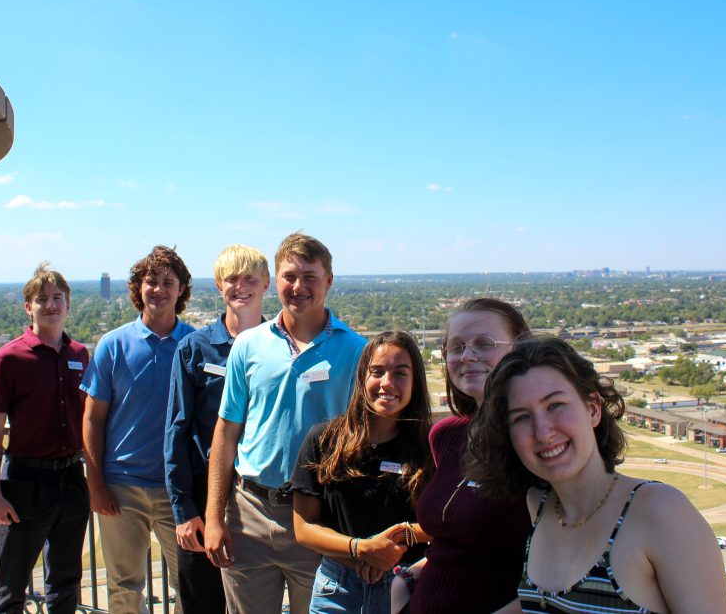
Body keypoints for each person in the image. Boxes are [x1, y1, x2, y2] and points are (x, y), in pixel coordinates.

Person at [469, 337, 726, 614]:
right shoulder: (540, 506)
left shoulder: (661, 512)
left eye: (555, 405)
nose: (543, 431)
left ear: (593, 409)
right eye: (521, 417)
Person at [204, 232, 367, 614]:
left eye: (310, 276)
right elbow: (226, 433)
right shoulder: (248, 345)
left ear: (328, 281)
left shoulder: (356, 350)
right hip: (249, 515)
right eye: (290, 276)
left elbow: (364, 437)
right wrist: (214, 516)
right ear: (275, 281)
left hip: (318, 517)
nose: (299, 286)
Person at [396, 298, 533, 614]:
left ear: (520, 349)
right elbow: (452, 539)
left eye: (484, 344)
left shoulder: (538, 442)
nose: (467, 357)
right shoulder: (446, 435)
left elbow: (561, 561)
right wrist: (403, 583)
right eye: (456, 347)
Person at [81, 246, 195, 614]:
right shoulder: (113, 345)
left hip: (177, 490)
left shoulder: (195, 345)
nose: (159, 289)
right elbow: (92, 419)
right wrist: (96, 485)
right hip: (121, 488)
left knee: (190, 585)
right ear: (137, 288)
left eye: (168, 282)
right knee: (123, 587)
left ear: (181, 290)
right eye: (151, 281)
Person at [291, 330, 434, 614]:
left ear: (416, 382)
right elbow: (304, 527)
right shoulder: (324, 440)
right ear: (362, 379)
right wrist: (360, 549)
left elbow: (446, 524)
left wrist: (400, 538)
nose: (387, 383)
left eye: (401, 373)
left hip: (407, 587)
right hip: (337, 590)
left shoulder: (431, 448)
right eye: (377, 371)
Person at [164, 245, 271, 614]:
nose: (240, 287)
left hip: (259, 496)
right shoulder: (195, 349)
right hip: (202, 492)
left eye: (249, 279)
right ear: (218, 287)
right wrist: (183, 510)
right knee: (202, 602)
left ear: (266, 284)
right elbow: (176, 432)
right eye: (231, 279)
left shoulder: (280, 348)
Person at [0, 263, 91, 614]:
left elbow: (89, 418)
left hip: (72, 479)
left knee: (65, 581)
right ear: (28, 307)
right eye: (41, 299)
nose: (50, 305)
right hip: (26, 481)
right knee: (10, 586)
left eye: (57, 298)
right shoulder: (8, 359)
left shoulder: (79, 354)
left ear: (68, 304)